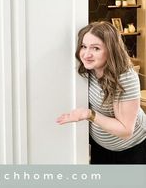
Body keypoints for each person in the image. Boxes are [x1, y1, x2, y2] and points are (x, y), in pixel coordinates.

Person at [56, 21, 146, 164]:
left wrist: (88, 114)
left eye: (96, 48)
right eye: (84, 47)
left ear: (111, 50)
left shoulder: (124, 77)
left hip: (132, 150)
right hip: (101, 147)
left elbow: (126, 130)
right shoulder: (89, 69)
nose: (86, 54)